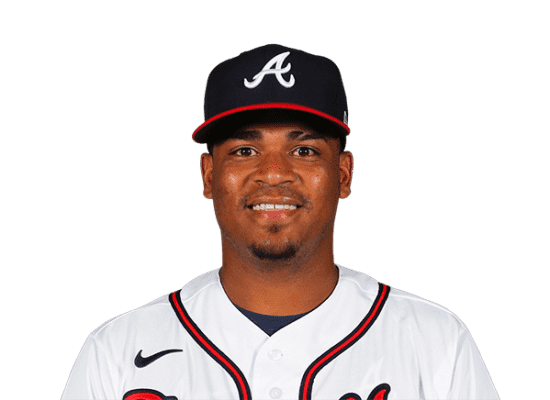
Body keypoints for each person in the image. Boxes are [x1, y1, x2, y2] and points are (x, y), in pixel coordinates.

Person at [61, 43, 499, 400]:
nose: (273, 173)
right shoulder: (116, 350)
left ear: (344, 174)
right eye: (244, 151)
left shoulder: (435, 343)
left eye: (304, 150)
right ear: (209, 176)